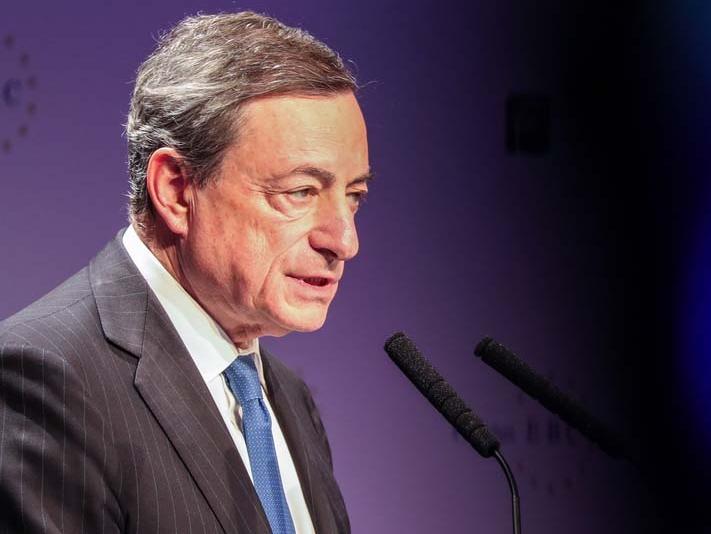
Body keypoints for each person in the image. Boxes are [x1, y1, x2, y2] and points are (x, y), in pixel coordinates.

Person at [0, 11, 370, 534]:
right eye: (301, 192)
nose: (345, 241)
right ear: (176, 191)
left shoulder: (288, 397)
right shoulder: (45, 380)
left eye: (354, 196)